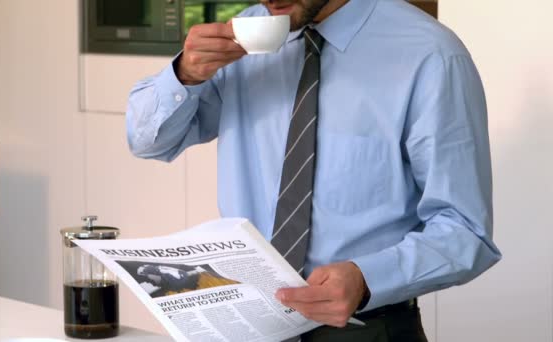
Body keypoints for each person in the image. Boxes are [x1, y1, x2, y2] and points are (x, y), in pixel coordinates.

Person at [126, 0, 502, 340]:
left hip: (364, 329)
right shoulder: (246, 33)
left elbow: (465, 231)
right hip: (249, 324)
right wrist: (184, 75)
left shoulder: (429, 54)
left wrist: (369, 278)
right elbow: (149, 142)